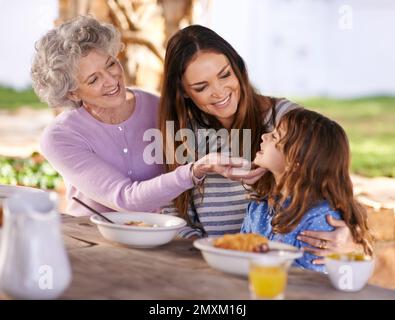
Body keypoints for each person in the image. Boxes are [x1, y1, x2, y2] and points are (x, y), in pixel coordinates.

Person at [159, 25, 361, 263]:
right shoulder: (184, 133)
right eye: (202, 87)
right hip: (211, 264)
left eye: (225, 75)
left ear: (238, 68)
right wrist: (211, 254)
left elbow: (333, 184)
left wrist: (350, 235)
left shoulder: (286, 121)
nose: (220, 91)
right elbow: (174, 214)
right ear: (183, 91)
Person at [31, 16, 239, 217]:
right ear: (73, 93)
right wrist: (193, 171)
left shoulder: (159, 108)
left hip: (161, 234)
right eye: (94, 79)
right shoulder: (60, 137)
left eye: (111, 64)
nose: (111, 81)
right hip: (92, 240)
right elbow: (124, 198)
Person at [241, 108, 373, 272]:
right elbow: (240, 256)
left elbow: (312, 284)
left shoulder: (319, 219)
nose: (264, 136)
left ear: (295, 163)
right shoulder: (258, 206)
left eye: (274, 136)